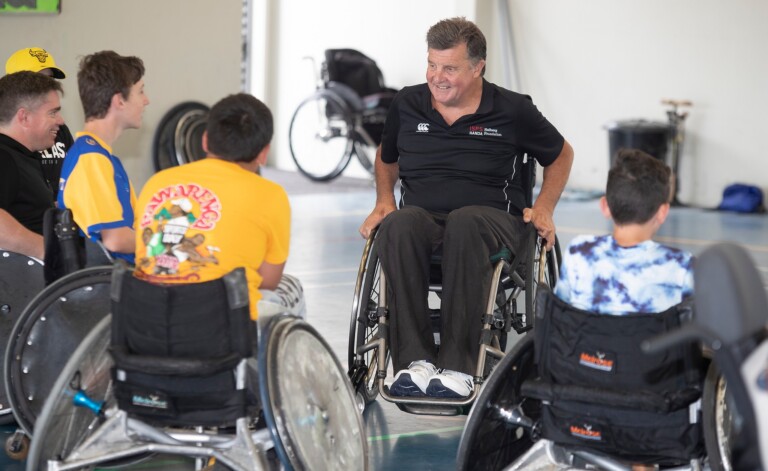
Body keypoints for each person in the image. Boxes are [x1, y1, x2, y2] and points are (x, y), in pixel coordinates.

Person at [358, 17, 574, 398]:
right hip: (425, 223)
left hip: (494, 227)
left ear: (478, 68)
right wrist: (384, 201)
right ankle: (415, 364)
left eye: (450, 68)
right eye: (432, 64)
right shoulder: (407, 104)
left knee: (465, 221)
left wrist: (544, 207)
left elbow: (560, 155)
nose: (437, 77)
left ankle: (459, 367)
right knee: (398, 224)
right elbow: (386, 157)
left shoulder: (512, 110)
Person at [134, 93, 305, 320]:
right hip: (220, 324)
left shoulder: (157, 182)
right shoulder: (272, 195)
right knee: (292, 289)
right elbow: (269, 281)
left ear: (204, 140)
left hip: (147, 317)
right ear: (264, 153)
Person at [555, 148, 693, 315]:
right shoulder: (682, 267)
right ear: (662, 212)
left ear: (605, 207)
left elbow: (560, 315)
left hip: (588, 340)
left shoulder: (578, 252)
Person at [58, 51, 149, 263]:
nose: (146, 101)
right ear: (119, 100)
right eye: (140, 92)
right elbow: (115, 240)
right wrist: (168, 245)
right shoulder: (91, 159)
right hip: (107, 285)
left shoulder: (100, 157)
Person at [0, 71, 64, 259]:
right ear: (24, 117)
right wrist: (47, 251)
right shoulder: (4, 157)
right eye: (53, 112)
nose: (61, 121)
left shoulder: (21, 157)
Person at [6, 47, 74, 197]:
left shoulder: (60, 130)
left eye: (50, 80)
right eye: (37, 80)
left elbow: (76, 177)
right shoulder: (7, 137)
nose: (47, 87)